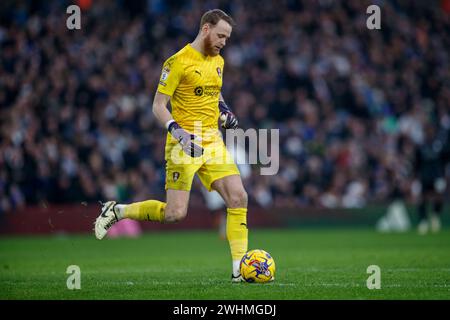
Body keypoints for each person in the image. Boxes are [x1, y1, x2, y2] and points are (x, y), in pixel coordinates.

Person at [94, 9, 249, 282]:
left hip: (212, 139)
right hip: (183, 143)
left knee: (239, 197)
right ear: (205, 29)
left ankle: (240, 269)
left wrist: (224, 110)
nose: (224, 42)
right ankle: (117, 211)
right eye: (221, 35)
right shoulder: (177, 62)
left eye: (227, 37)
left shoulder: (218, 61)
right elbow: (157, 106)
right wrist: (178, 133)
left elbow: (215, 92)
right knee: (175, 213)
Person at [415, 124, 447, 235]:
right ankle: (423, 221)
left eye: (430, 130)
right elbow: (417, 163)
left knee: (438, 197)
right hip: (424, 176)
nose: (429, 133)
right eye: (426, 130)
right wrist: (415, 177)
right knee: (423, 198)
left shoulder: (439, 146)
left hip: (437, 176)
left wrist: (444, 175)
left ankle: (435, 216)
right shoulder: (421, 146)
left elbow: (445, 161)